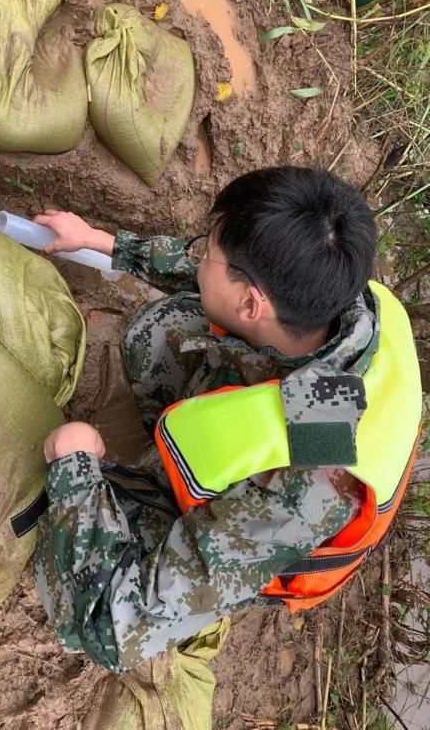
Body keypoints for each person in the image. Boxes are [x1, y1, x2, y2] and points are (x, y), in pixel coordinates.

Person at [31, 166, 422, 675]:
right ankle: (181, 455)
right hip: (294, 410)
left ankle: (178, 518)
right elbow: (231, 274)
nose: (198, 262)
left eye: (206, 256)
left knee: (85, 590)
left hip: (277, 539)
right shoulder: (346, 294)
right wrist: (103, 243)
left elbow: (115, 630)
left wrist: (74, 467)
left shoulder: (303, 481)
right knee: (162, 330)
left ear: (251, 303)